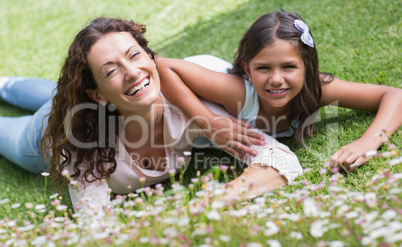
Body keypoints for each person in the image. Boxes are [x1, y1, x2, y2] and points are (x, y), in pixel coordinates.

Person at [0, 17, 302, 212]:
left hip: (97, 100)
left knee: (58, 92)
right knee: (46, 108)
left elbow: (281, 159)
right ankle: (7, 86)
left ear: (151, 58)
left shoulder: (190, 104)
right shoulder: (84, 142)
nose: (132, 73)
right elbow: (95, 227)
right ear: (97, 94)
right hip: (42, 138)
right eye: (112, 70)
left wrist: (216, 200)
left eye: (134, 56)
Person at [157, 10, 402, 171]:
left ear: (306, 67)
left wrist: (367, 142)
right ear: (248, 70)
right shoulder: (238, 92)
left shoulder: (315, 89)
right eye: (264, 68)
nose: (276, 79)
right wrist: (210, 123)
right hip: (185, 87)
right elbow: (162, 66)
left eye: (288, 67)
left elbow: (394, 95)